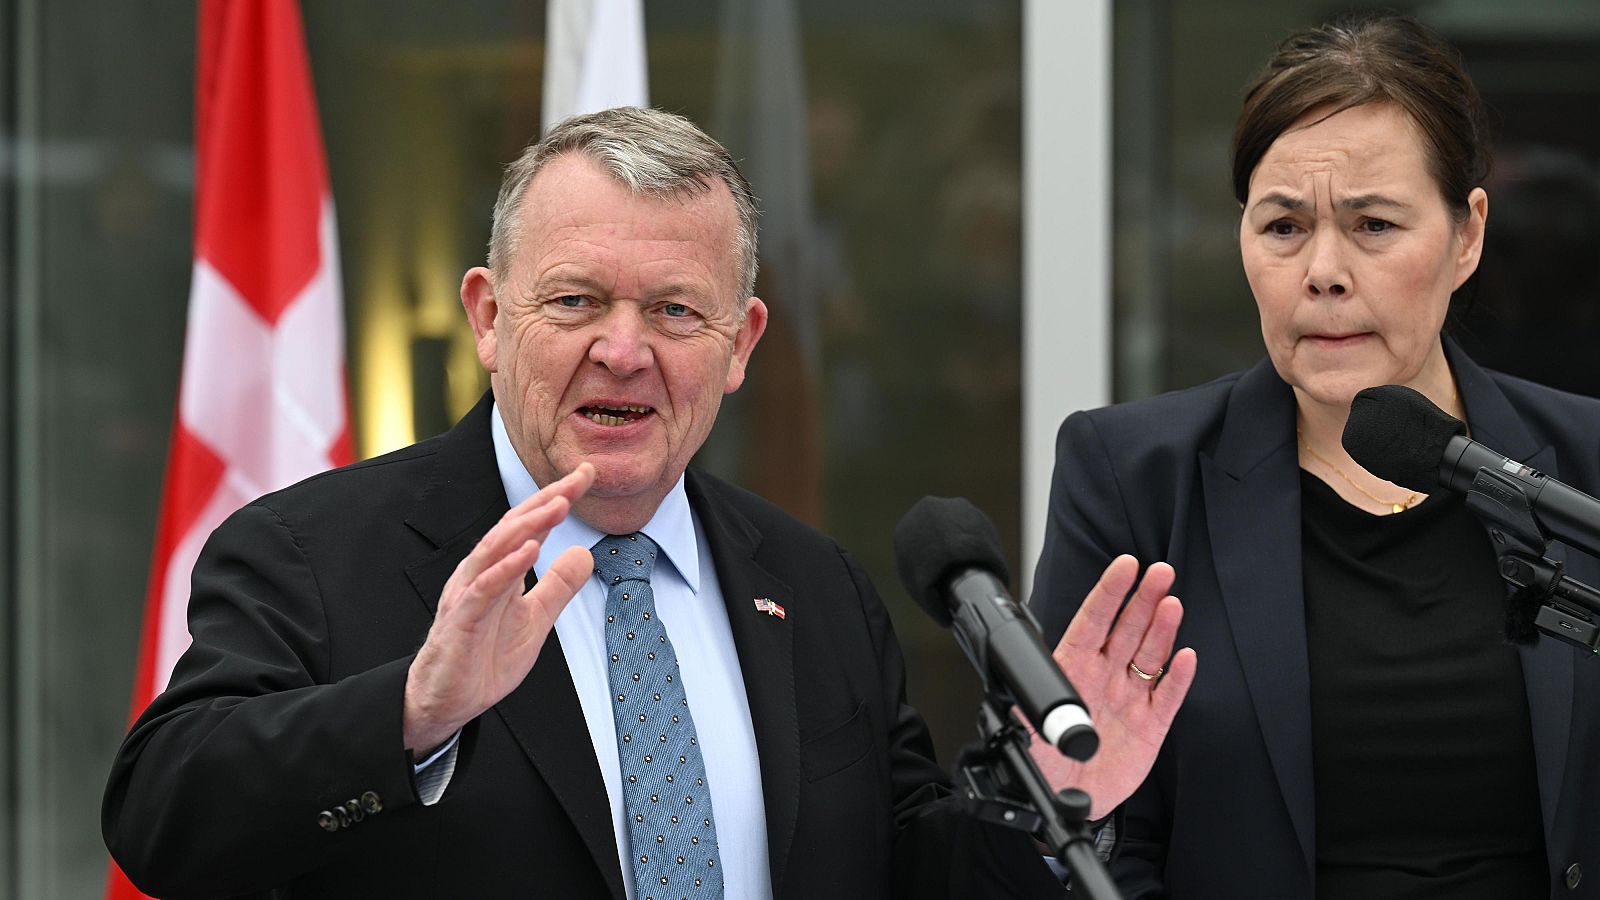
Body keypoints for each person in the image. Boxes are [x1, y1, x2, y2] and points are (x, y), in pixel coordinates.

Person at [104, 106, 1192, 899]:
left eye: (675, 311)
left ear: (739, 346)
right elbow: (163, 821)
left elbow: (905, 871)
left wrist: (1045, 800)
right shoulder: (310, 552)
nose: (621, 352)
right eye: (574, 301)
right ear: (488, 317)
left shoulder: (811, 586)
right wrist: (413, 714)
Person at [1029, 14, 1600, 900]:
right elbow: (1082, 830)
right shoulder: (1135, 477)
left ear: (1467, 235)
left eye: (1373, 225)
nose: (1324, 271)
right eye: (1285, 227)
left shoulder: (1583, 464)